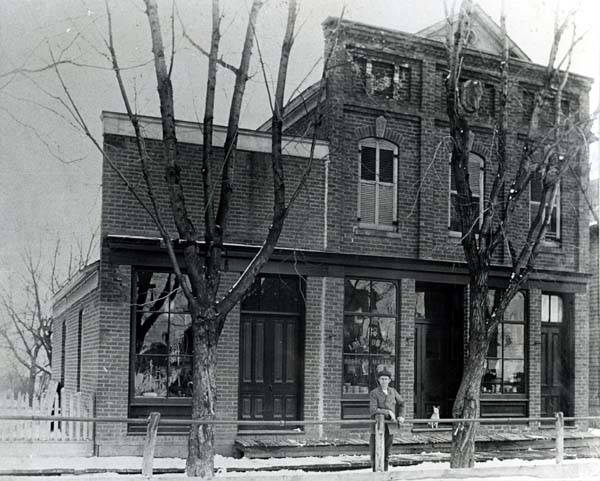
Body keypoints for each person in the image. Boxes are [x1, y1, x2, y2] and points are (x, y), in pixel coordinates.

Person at [369, 368, 404, 471]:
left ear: (389, 380)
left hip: (390, 426)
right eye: (382, 379)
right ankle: (376, 474)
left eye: (386, 379)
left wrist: (401, 416)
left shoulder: (393, 392)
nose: (384, 381)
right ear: (378, 380)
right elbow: (373, 410)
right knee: (375, 452)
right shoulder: (374, 393)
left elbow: (402, 404)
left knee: (387, 453)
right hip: (377, 426)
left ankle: (385, 473)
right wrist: (388, 412)